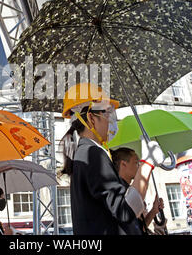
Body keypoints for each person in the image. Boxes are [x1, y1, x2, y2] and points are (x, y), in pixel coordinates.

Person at [60, 82, 166, 235]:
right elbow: (126, 212)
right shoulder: (92, 154)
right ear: (91, 118)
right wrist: (147, 163)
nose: (111, 119)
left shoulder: (84, 152)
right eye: (107, 112)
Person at [111, 147, 167, 234]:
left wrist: (153, 211)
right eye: (136, 162)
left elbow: (139, 227)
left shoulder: (128, 189)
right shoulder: (117, 191)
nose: (139, 166)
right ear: (123, 164)